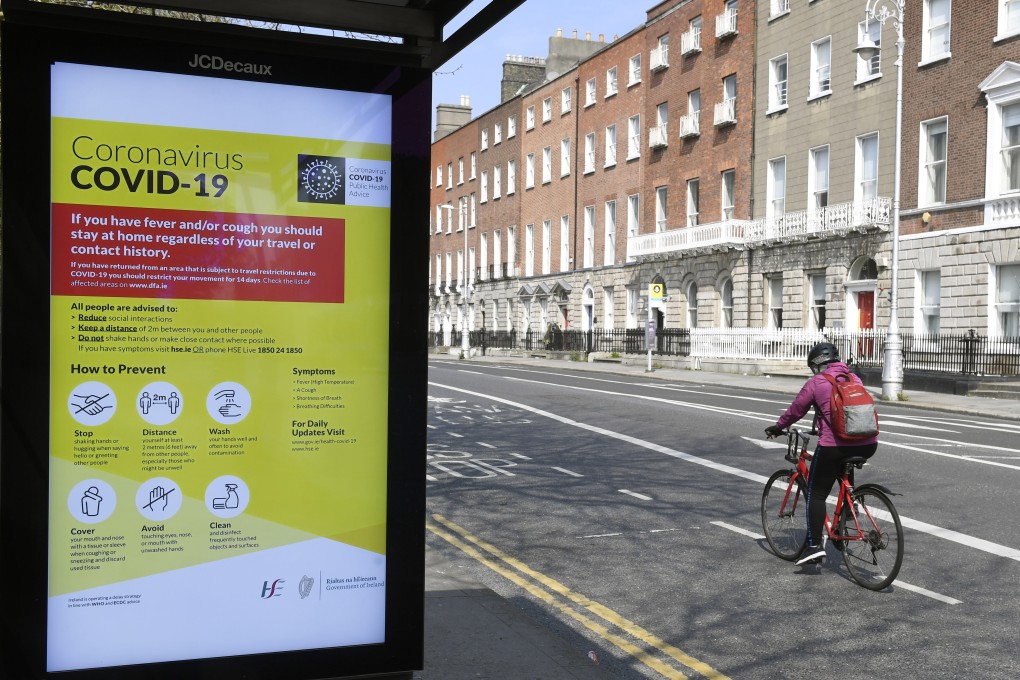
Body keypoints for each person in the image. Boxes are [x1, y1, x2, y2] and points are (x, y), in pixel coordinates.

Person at [764, 342, 878, 566]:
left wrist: (778, 427)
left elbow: (796, 410)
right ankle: (848, 510)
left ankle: (814, 546)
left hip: (834, 446)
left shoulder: (817, 382)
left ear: (817, 365)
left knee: (816, 494)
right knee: (843, 475)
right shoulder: (854, 379)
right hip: (867, 443)